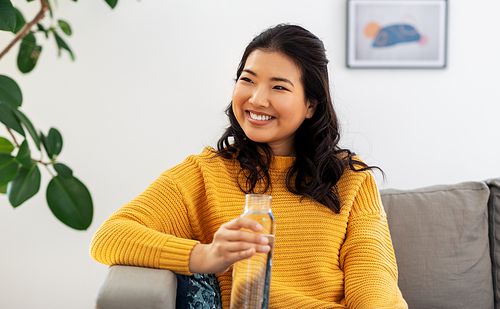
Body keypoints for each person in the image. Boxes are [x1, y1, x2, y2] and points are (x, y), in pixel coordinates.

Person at [90, 24, 408, 309]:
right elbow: (110, 237)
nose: (256, 99)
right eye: (247, 80)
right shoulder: (203, 174)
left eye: (279, 87)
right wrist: (205, 256)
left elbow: (372, 277)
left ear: (311, 104)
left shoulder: (350, 178)